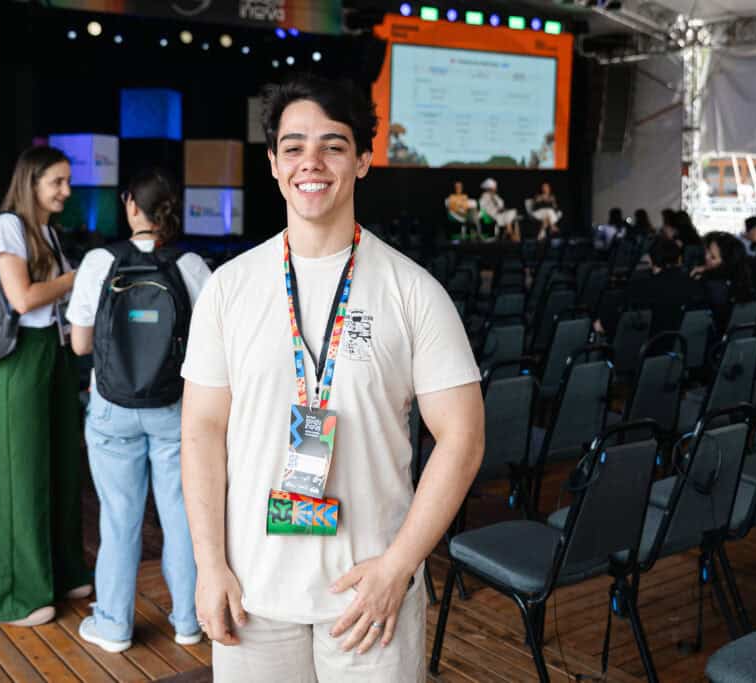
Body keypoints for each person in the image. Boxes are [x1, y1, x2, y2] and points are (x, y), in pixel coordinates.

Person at [180, 75, 484, 682]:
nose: (310, 163)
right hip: (252, 594)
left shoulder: (413, 291)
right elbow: (202, 431)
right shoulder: (229, 288)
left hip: (371, 598)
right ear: (272, 164)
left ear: (364, 159)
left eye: (333, 145)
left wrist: (400, 567)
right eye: (293, 147)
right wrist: (209, 566)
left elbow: (463, 438)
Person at [67, 168, 211, 652]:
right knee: (182, 516)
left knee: (119, 517)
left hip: (112, 406)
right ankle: (190, 619)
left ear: (131, 205)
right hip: (174, 408)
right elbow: (213, 349)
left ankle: (112, 625)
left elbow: (81, 344)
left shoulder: (99, 262)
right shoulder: (192, 266)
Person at [0, 146, 91, 627]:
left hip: (55, 352)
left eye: (66, 181)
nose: (66, 190)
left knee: (61, 464)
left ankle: (59, 572)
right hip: (19, 358)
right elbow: (22, 298)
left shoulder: (46, 230)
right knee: (17, 474)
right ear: (33, 183)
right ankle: (10, 595)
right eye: (57, 182)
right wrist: (77, 279)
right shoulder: (8, 226)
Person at [626, 237, 704, 335]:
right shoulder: (695, 285)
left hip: (648, 346)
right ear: (678, 259)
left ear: (649, 259)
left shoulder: (639, 287)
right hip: (681, 346)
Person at [691, 231, 756, 332]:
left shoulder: (710, 284)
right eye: (707, 252)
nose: (706, 257)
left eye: (713, 257)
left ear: (727, 262)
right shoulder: (746, 281)